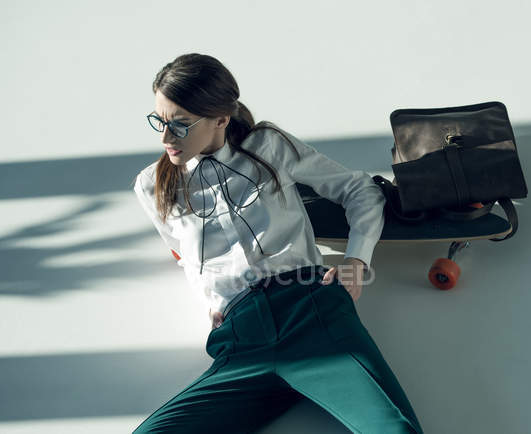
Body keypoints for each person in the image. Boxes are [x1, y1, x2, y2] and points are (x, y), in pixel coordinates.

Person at [131, 53, 424, 434]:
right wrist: (210, 302)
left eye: (181, 125)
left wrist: (357, 260)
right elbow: (184, 256)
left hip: (310, 312)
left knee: (393, 430)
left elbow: (359, 189)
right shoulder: (152, 185)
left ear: (221, 118)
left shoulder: (266, 146)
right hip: (239, 339)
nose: (165, 137)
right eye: (160, 121)